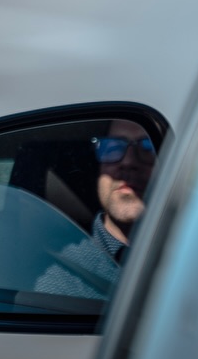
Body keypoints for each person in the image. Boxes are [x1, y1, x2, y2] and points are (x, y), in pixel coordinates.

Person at [33, 120, 156, 301]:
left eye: (148, 147)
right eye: (112, 147)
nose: (128, 161)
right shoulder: (63, 281)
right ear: (99, 168)